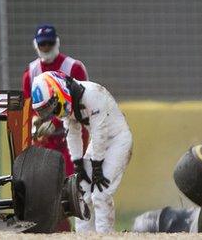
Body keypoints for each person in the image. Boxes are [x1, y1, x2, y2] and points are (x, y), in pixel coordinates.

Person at [31, 71, 132, 233]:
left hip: (118, 141)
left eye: (52, 106)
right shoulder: (69, 102)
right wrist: (78, 163)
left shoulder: (93, 95)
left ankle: (105, 235)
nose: (53, 113)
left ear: (59, 91)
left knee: (100, 194)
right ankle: (83, 236)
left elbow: (100, 131)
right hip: (99, 143)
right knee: (81, 191)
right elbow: (72, 132)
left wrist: (97, 166)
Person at [22, 24, 89, 176]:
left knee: (73, 178)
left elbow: (81, 103)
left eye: (49, 43)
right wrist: (34, 122)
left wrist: (55, 122)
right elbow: (28, 105)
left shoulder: (73, 68)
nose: (46, 47)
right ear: (36, 45)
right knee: (45, 179)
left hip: (72, 131)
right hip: (45, 138)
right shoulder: (31, 73)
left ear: (56, 42)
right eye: (42, 44)